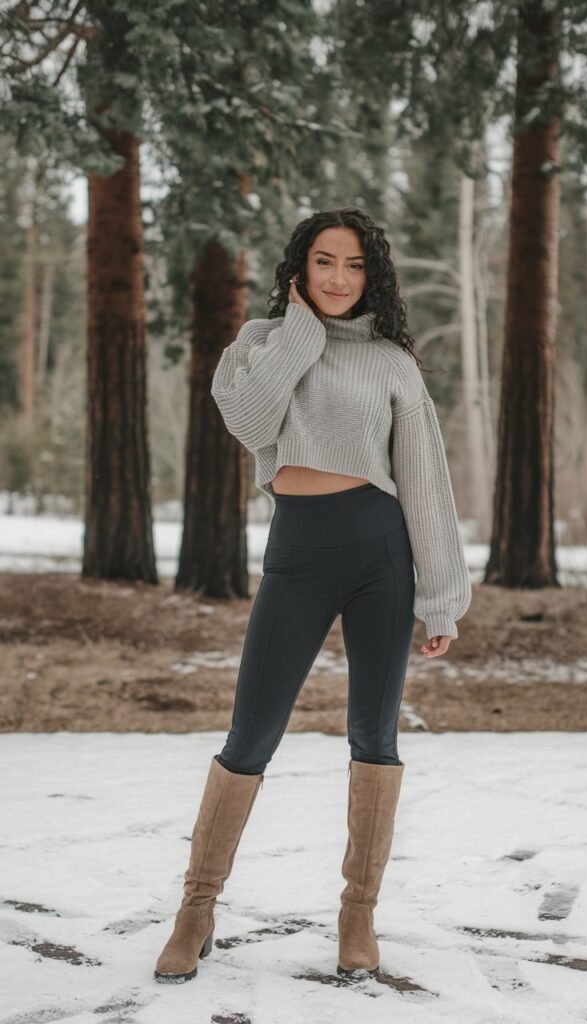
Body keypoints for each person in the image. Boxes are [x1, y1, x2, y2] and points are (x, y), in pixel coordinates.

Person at [154, 206, 472, 984]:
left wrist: (441, 596)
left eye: (354, 265)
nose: (339, 277)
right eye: (324, 261)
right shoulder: (261, 346)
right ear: (300, 266)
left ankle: (357, 916)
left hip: (381, 553)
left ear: (374, 275)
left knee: (374, 733)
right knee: (252, 732)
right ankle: (197, 909)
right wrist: (299, 330)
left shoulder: (393, 362)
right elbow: (249, 419)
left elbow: (425, 481)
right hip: (298, 550)